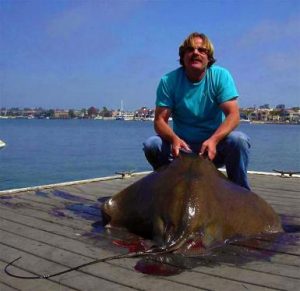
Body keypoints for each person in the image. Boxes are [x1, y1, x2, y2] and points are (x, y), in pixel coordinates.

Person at [143, 32, 251, 190]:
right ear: (183, 56)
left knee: (239, 140)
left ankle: (240, 193)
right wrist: (174, 139)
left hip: (213, 149)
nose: (196, 53)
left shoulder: (220, 76)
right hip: (181, 149)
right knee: (152, 144)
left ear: (209, 58)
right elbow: (159, 120)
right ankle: (167, 189)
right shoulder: (168, 81)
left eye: (202, 50)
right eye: (190, 49)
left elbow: (233, 115)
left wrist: (213, 140)